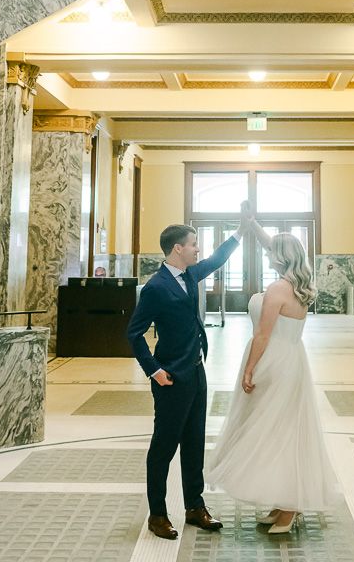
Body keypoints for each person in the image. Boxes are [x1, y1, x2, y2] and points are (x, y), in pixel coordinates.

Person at [208, 206, 338, 533]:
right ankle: (283, 502)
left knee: (272, 430)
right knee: (282, 431)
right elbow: (275, 244)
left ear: (279, 257)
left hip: (274, 362)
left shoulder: (278, 290)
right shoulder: (298, 284)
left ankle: (289, 507)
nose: (266, 255)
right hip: (293, 360)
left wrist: (249, 370)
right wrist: (252, 226)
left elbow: (262, 335)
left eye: (270, 253)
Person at [127, 211, 251, 540]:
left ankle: (194, 506)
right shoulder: (155, 287)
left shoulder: (190, 274)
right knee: (164, 448)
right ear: (178, 249)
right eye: (194, 244)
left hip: (197, 373)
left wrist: (239, 231)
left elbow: (217, 259)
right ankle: (157, 514)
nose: (198, 250)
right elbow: (134, 334)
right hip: (171, 380)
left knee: (194, 443)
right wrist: (154, 371)